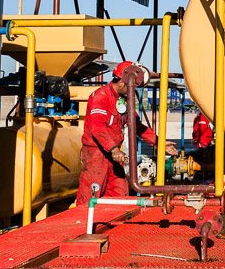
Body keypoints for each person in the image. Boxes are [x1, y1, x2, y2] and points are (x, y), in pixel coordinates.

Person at [76, 61, 178, 205]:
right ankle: (83, 223)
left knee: (119, 192)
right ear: (124, 83)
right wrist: (114, 149)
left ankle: (114, 225)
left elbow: (136, 126)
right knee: (92, 193)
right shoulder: (101, 96)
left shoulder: (123, 100)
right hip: (97, 154)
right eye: (134, 86)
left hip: (114, 154)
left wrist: (159, 142)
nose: (134, 90)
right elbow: (98, 128)